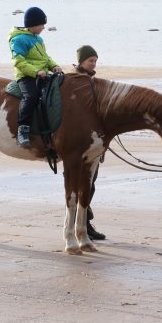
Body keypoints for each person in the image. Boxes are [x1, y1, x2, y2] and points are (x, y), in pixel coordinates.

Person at [8, 7, 63, 147]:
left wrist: (54, 66)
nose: (43, 28)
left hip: (42, 74)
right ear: (32, 24)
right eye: (41, 25)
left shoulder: (38, 39)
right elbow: (18, 61)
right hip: (26, 76)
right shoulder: (18, 40)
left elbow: (45, 58)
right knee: (31, 96)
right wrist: (36, 72)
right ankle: (23, 129)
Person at [72, 45, 105, 240]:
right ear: (81, 62)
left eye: (95, 61)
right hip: (79, 142)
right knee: (81, 184)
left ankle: (85, 222)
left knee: (91, 184)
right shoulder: (76, 81)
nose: (94, 64)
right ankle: (81, 222)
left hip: (93, 140)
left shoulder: (91, 81)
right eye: (90, 61)